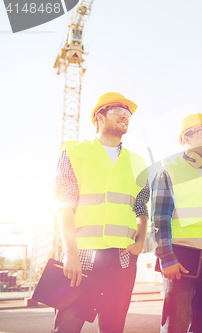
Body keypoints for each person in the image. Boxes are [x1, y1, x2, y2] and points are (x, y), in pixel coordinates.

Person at [53, 92, 149, 332]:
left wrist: (140, 242)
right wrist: (70, 253)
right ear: (99, 116)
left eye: (128, 113)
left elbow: (141, 206)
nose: (125, 116)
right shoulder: (74, 152)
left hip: (122, 259)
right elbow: (64, 203)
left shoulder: (137, 161)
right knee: (67, 328)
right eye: (119, 110)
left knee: (114, 328)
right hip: (82, 257)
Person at [151, 113, 202, 333]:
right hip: (181, 262)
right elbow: (159, 217)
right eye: (201, 133)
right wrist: (166, 258)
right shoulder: (170, 170)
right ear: (185, 138)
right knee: (176, 326)